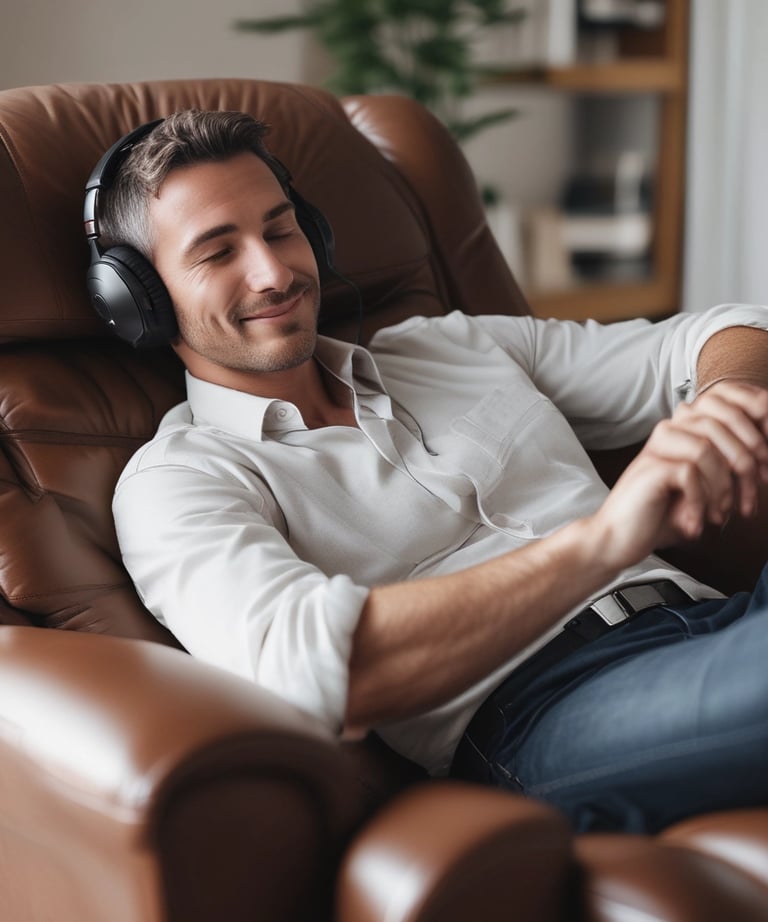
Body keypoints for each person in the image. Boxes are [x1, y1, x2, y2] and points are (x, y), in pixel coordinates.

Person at [94, 108, 768, 834]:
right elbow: (327, 670)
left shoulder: (452, 346)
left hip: (713, 621)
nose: (275, 271)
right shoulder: (177, 483)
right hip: (548, 713)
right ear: (144, 301)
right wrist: (602, 541)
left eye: (281, 228)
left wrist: (723, 406)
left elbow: (729, 331)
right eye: (218, 253)